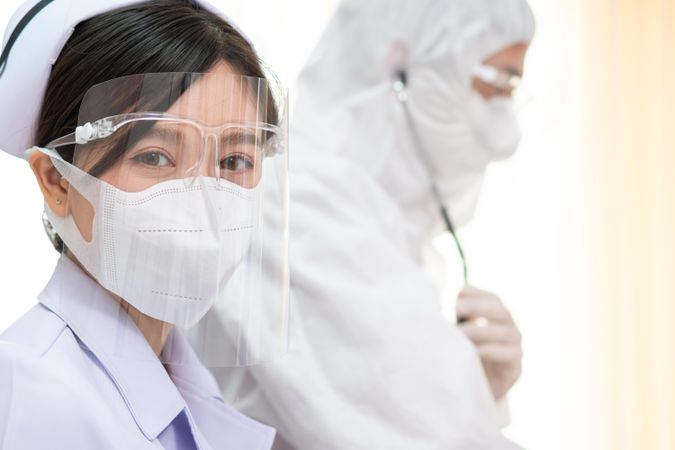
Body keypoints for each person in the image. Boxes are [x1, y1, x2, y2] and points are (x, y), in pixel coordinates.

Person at [211, 0, 535, 449]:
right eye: (496, 83)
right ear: (398, 66)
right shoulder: (299, 207)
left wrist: (476, 386)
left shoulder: (367, 214)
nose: (507, 135)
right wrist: (463, 399)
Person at [0, 1, 289, 449]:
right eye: (154, 156)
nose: (205, 202)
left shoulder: (181, 374)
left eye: (234, 160)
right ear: (57, 180)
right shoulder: (35, 399)